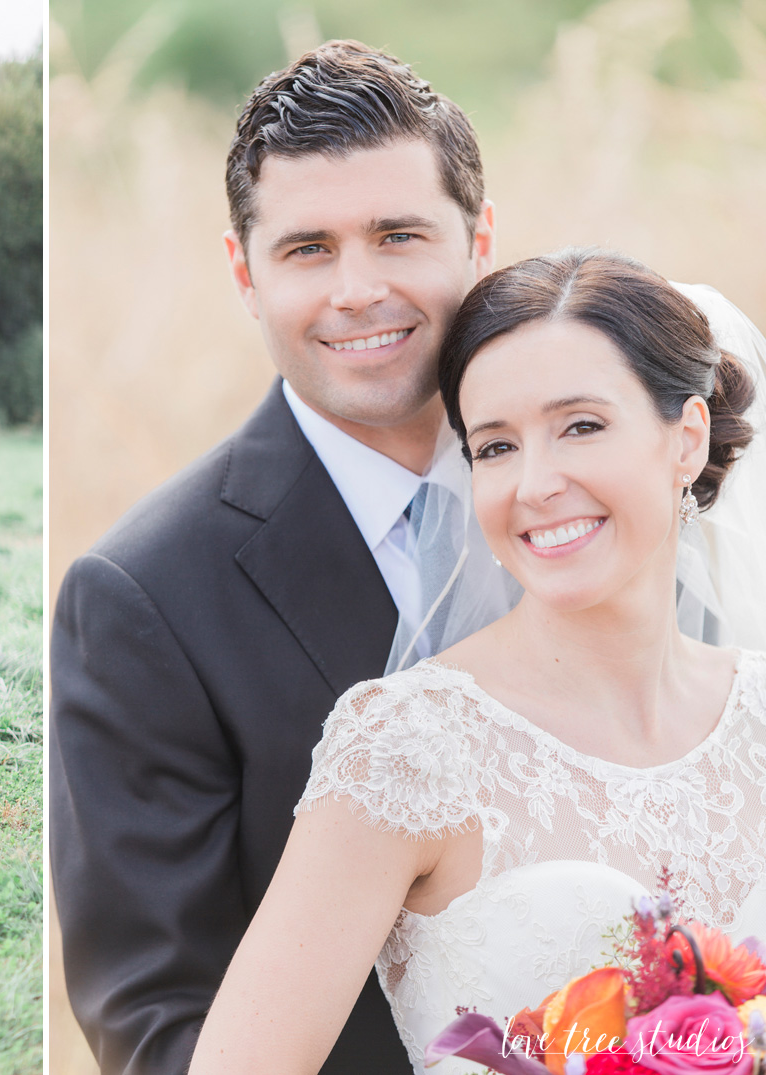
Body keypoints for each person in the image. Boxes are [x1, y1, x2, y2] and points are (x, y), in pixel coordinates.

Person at [189, 248, 765, 1074]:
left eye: (581, 426)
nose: (534, 483)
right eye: (495, 447)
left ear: (687, 437)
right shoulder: (406, 747)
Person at [50, 41, 494, 1075]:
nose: (358, 290)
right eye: (308, 250)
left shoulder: (596, 505)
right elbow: (157, 1020)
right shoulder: (143, 596)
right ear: (245, 273)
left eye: (399, 235)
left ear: (478, 241)